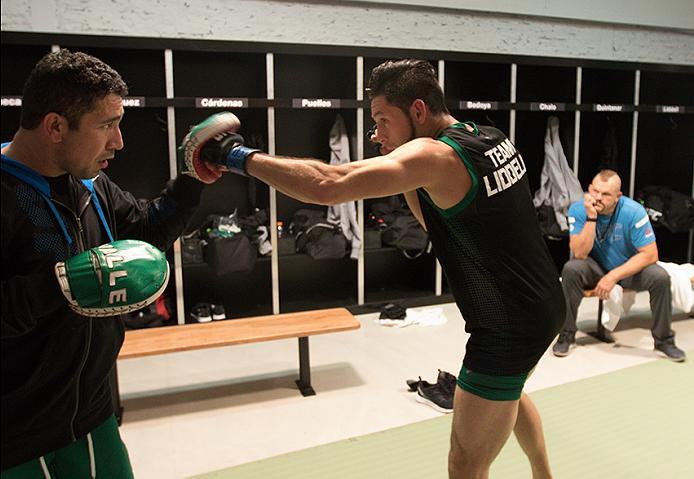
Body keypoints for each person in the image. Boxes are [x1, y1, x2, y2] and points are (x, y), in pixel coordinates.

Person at [189, 59, 565, 479]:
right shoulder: (487, 137)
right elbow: (445, 222)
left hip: (507, 328)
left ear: (418, 112)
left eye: (383, 120)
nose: (375, 134)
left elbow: (326, 184)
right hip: (547, 303)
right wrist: (396, 164)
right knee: (510, 392)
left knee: (465, 461)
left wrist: (235, 155)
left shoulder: (436, 156)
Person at [1, 50, 216, 477]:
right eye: (106, 126)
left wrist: (190, 182)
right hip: (15, 437)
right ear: (55, 126)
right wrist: (58, 286)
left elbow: (144, 232)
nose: (119, 142)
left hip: (90, 413)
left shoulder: (89, 182)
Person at [552, 169, 686, 362]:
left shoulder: (633, 212)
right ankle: (566, 334)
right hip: (595, 267)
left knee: (659, 277)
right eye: (595, 191)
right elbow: (580, 253)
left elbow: (650, 255)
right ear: (589, 189)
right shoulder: (578, 209)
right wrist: (591, 217)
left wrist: (612, 277)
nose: (598, 197)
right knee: (571, 268)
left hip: (628, 269)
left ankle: (664, 340)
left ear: (617, 196)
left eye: (605, 194)